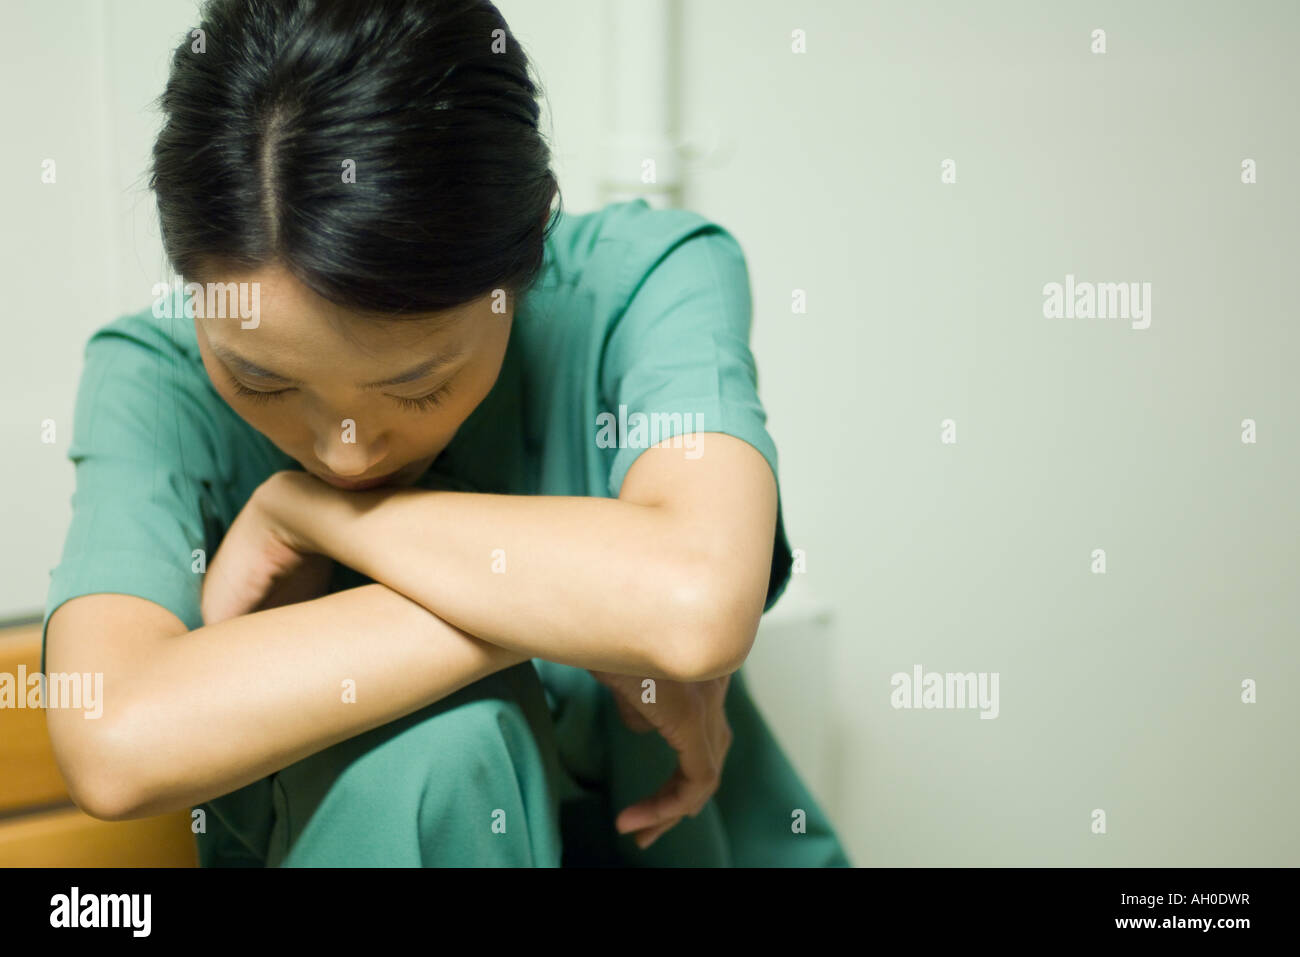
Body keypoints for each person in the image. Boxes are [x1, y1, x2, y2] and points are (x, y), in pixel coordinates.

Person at [41, 0, 850, 867]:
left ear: (528, 249)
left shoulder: (647, 281)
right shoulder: (153, 381)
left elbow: (695, 602)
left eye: (417, 385)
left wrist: (315, 513)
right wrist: (578, 617)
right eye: (262, 380)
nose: (346, 451)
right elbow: (114, 739)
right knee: (435, 748)